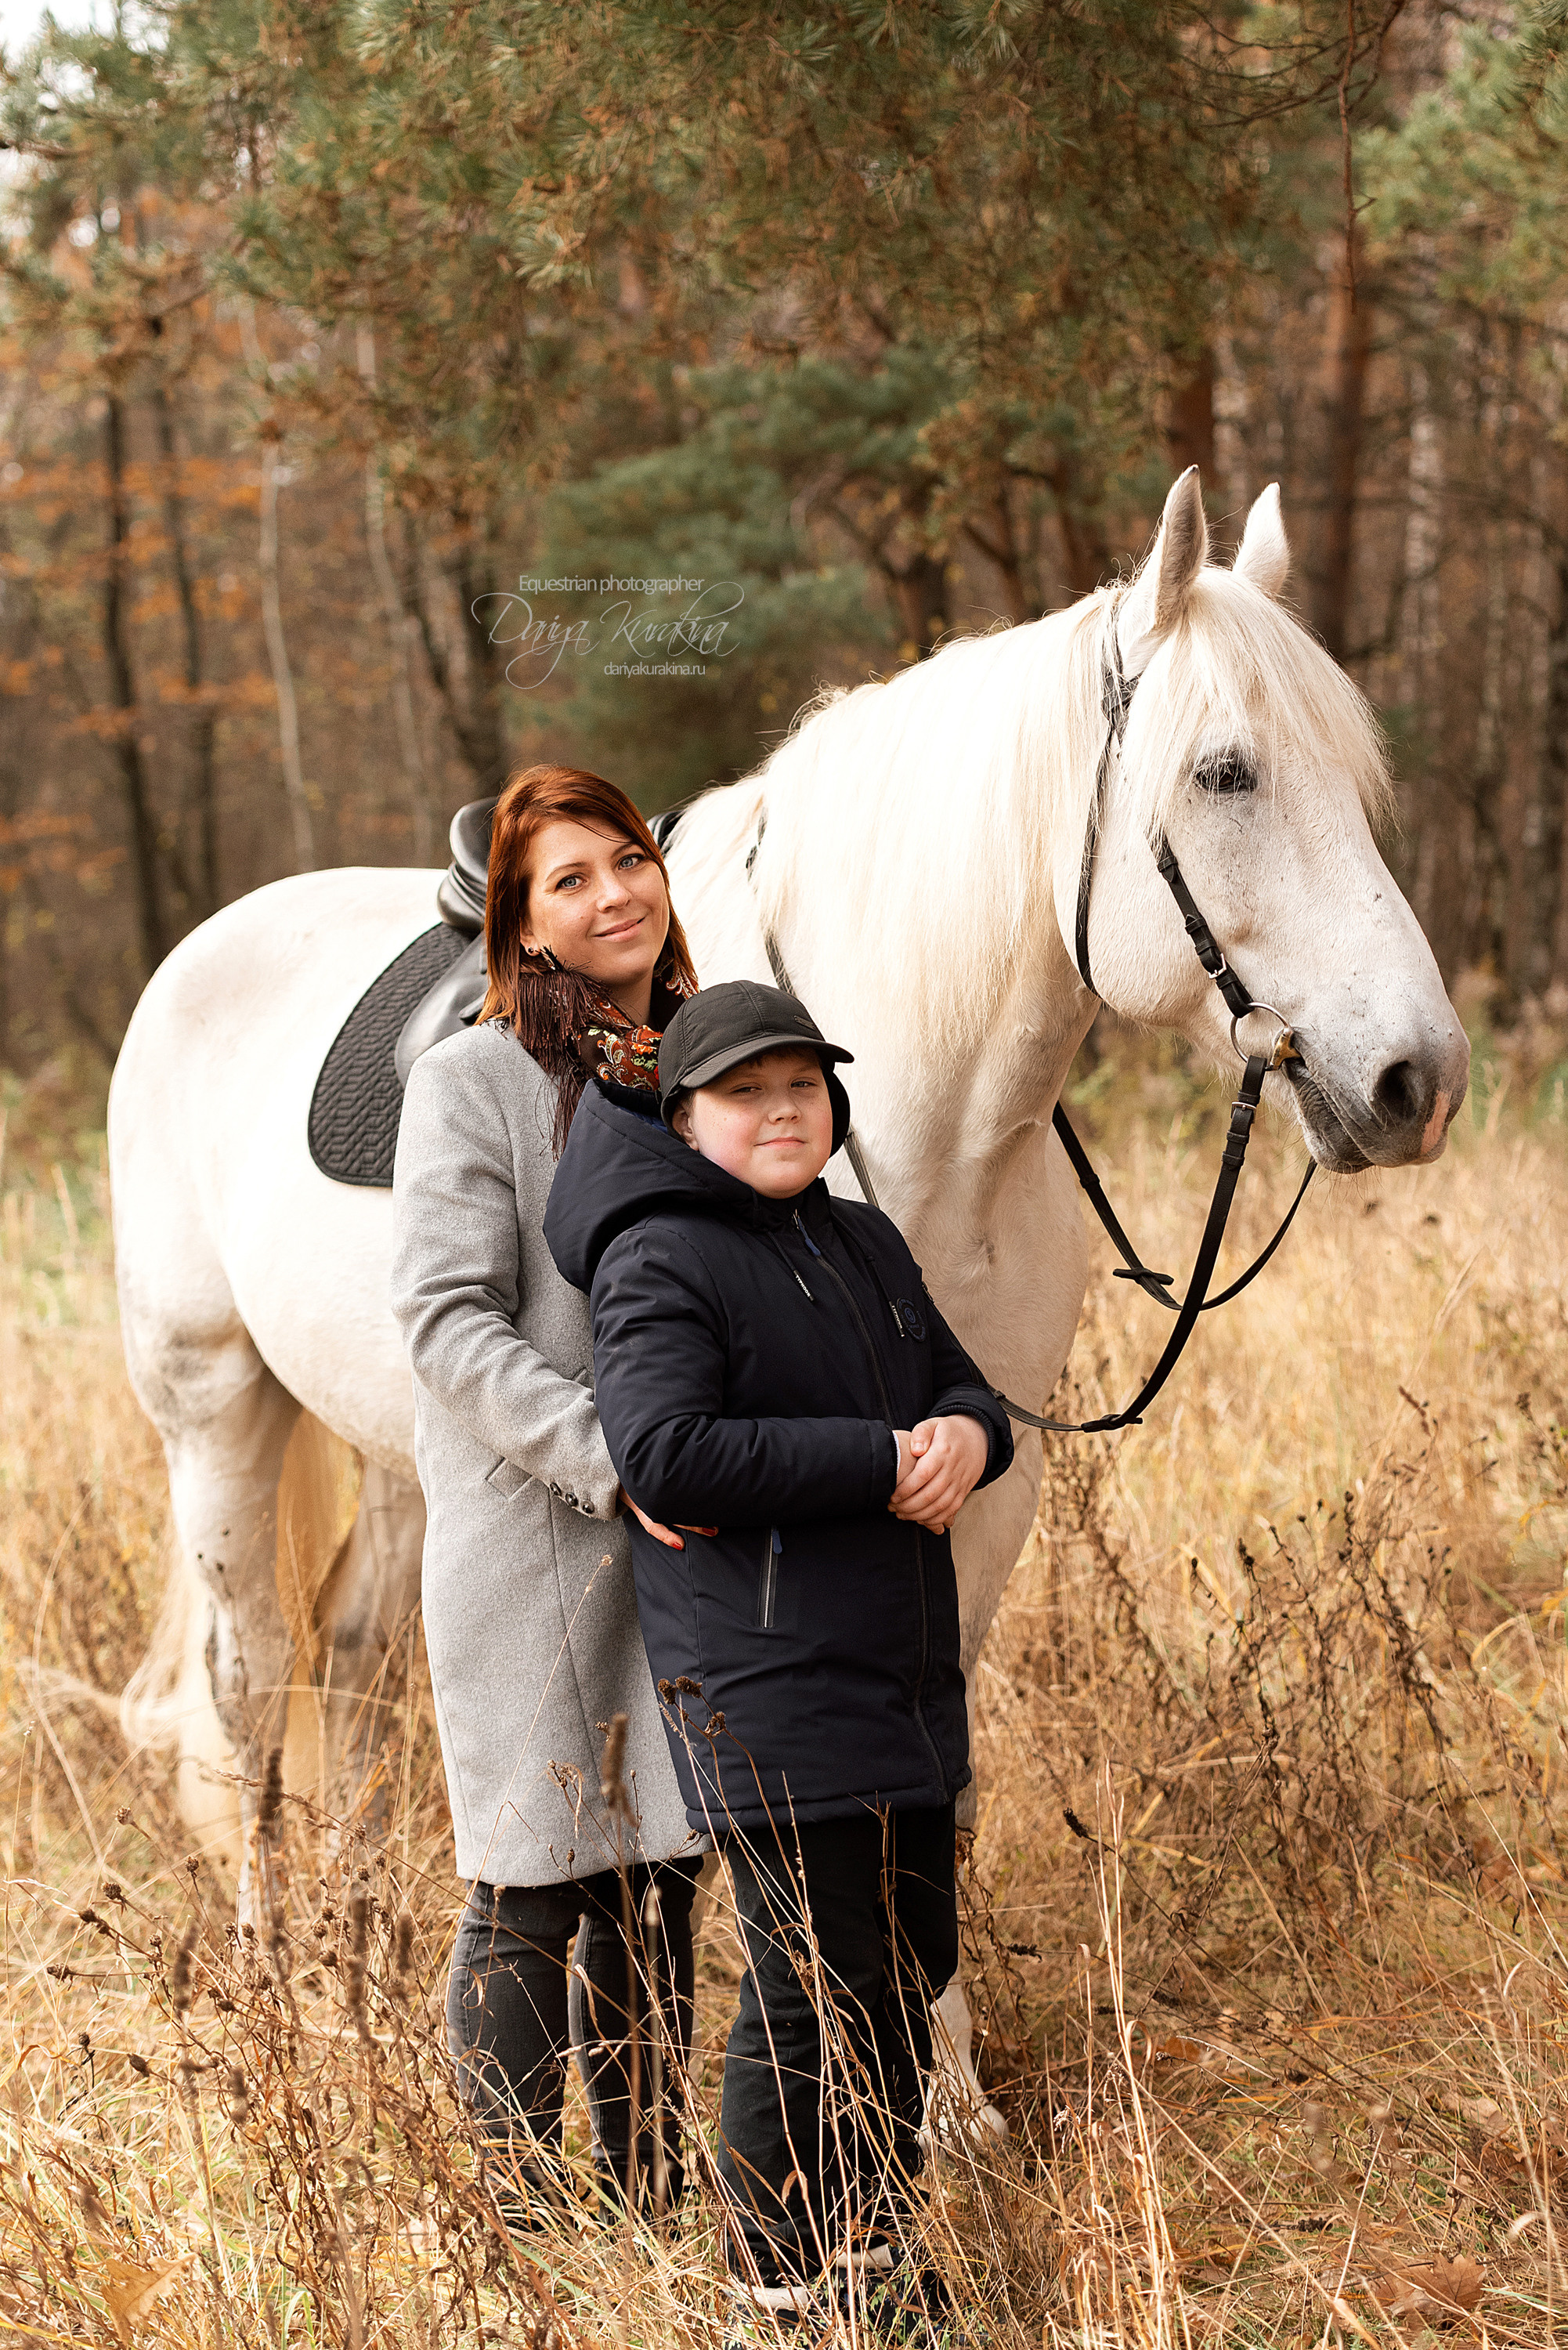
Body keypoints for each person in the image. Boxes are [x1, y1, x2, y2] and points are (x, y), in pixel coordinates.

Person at [544, 980, 1013, 2331]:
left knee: (904, 1968)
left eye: (801, 1085)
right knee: (809, 1988)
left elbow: (961, 1388)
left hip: (899, 1669)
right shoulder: (659, 1255)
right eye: (744, 1093)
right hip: (763, 1679)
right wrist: (880, 1462)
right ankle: (777, 2281)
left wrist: (967, 1438)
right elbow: (664, 1453)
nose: (781, 1111)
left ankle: (868, 2254)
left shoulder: (859, 1237)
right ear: (684, 1119)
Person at [388, 764, 707, 2222]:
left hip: (689, 1535)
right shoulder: (472, 1081)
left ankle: (644, 2203)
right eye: (567, 880)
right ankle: (517, 2234)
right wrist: (606, 1454)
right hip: (536, 1530)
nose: (612, 894)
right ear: (519, 924)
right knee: (532, 1883)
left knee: (660, 1873)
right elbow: (446, 1318)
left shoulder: (703, 1063)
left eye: (626, 859)